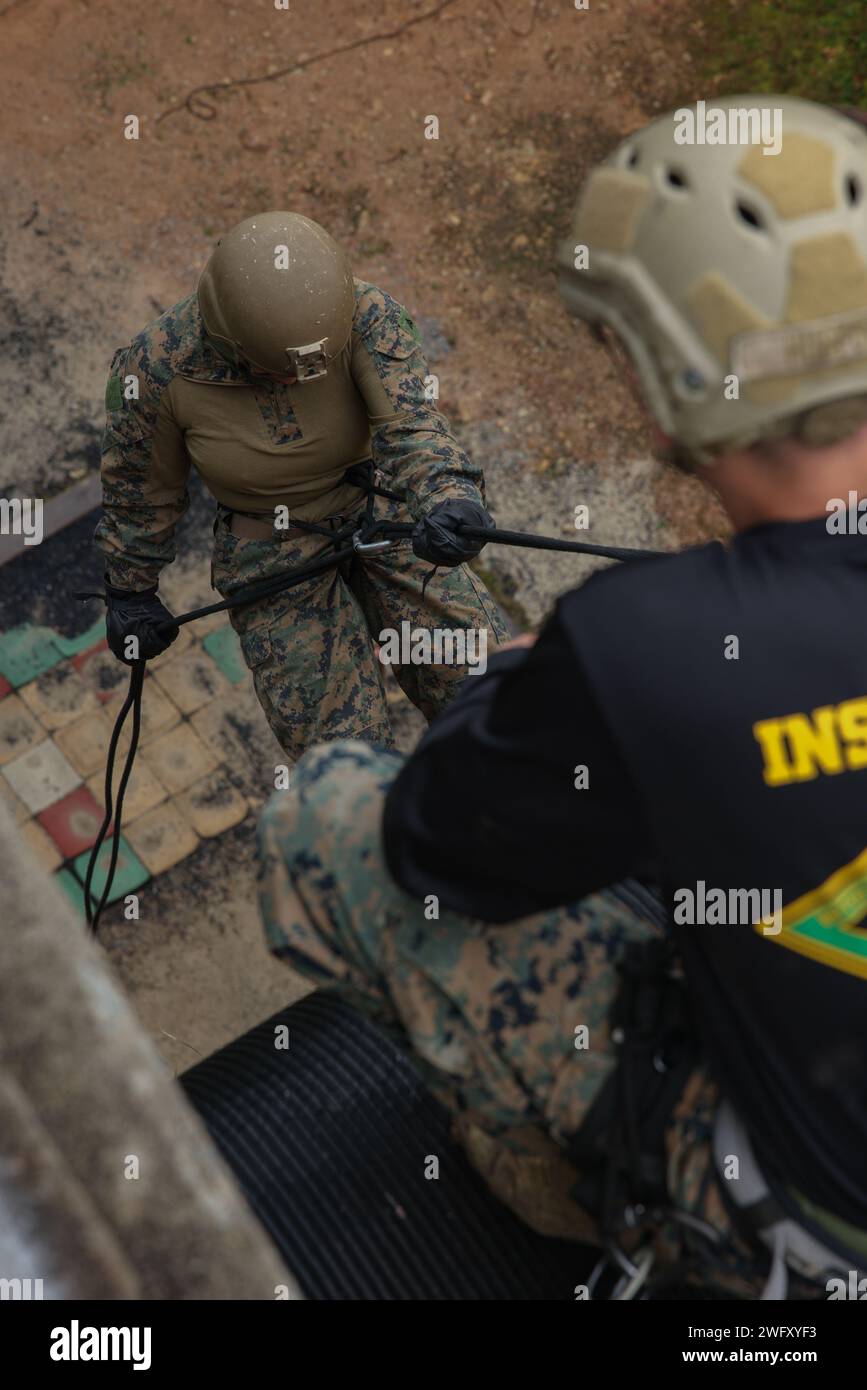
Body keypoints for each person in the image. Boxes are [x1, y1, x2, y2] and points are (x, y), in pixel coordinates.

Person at [254, 96, 867, 1299]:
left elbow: (437, 845)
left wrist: (542, 681)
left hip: (817, 1228)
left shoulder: (654, 651)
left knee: (324, 815)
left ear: (656, 384)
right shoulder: (673, 649)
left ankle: (579, 1188)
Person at [95, 212, 508, 760]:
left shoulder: (368, 316)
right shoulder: (153, 371)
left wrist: (448, 496)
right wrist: (130, 588)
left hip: (384, 516)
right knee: (341, 763)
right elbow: (138, 490)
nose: (298, 383)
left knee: (493, 696)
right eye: (280, 373)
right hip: (272, 553)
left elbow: (412, 426)